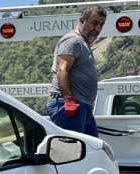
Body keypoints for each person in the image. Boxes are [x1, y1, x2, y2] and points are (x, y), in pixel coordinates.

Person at [46, 5, 107, 138]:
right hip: (69, 106)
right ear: (82, 20)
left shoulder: (83, 43)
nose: (97, 29)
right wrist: (68, 100)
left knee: (91, 150)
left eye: (101, 25)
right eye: (94, 23)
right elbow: (62, 70)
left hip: (82, 106)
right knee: (73, 153)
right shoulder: (73, 40)